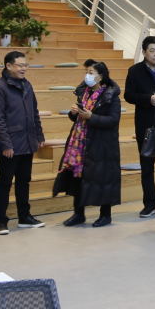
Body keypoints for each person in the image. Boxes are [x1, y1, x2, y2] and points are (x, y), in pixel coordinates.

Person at [0, 51, 46, 235]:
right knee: (5, 182)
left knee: (24, 181)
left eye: (25, 65)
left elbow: (34, 112)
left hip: (27, 141)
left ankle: (24, 217)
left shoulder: (27, 85)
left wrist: (39, 136)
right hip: (10, 145)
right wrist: (5, 144)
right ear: (8, 66)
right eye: (20, 65)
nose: (23, 68)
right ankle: (1, 221)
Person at [58, 62, 121, 227]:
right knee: (78, 178)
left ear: (101, 76)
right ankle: (78, 214)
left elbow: (113, 120)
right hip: (80, 142)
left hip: (102, 144)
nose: (87, 75)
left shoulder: (111, 95)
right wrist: (74, 113)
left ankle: (105, 215)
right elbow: (78, 118)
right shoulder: (83, 92)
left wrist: (91, 116)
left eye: (91, 72)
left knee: (103, 178)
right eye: (87, 72)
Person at [124, 36, 155, 218]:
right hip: (145, 124)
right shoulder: (135, 70)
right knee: (147, 167)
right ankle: (149, 205)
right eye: (152, 50)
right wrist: (147, 99)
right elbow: (128, 95)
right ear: (144, 52)